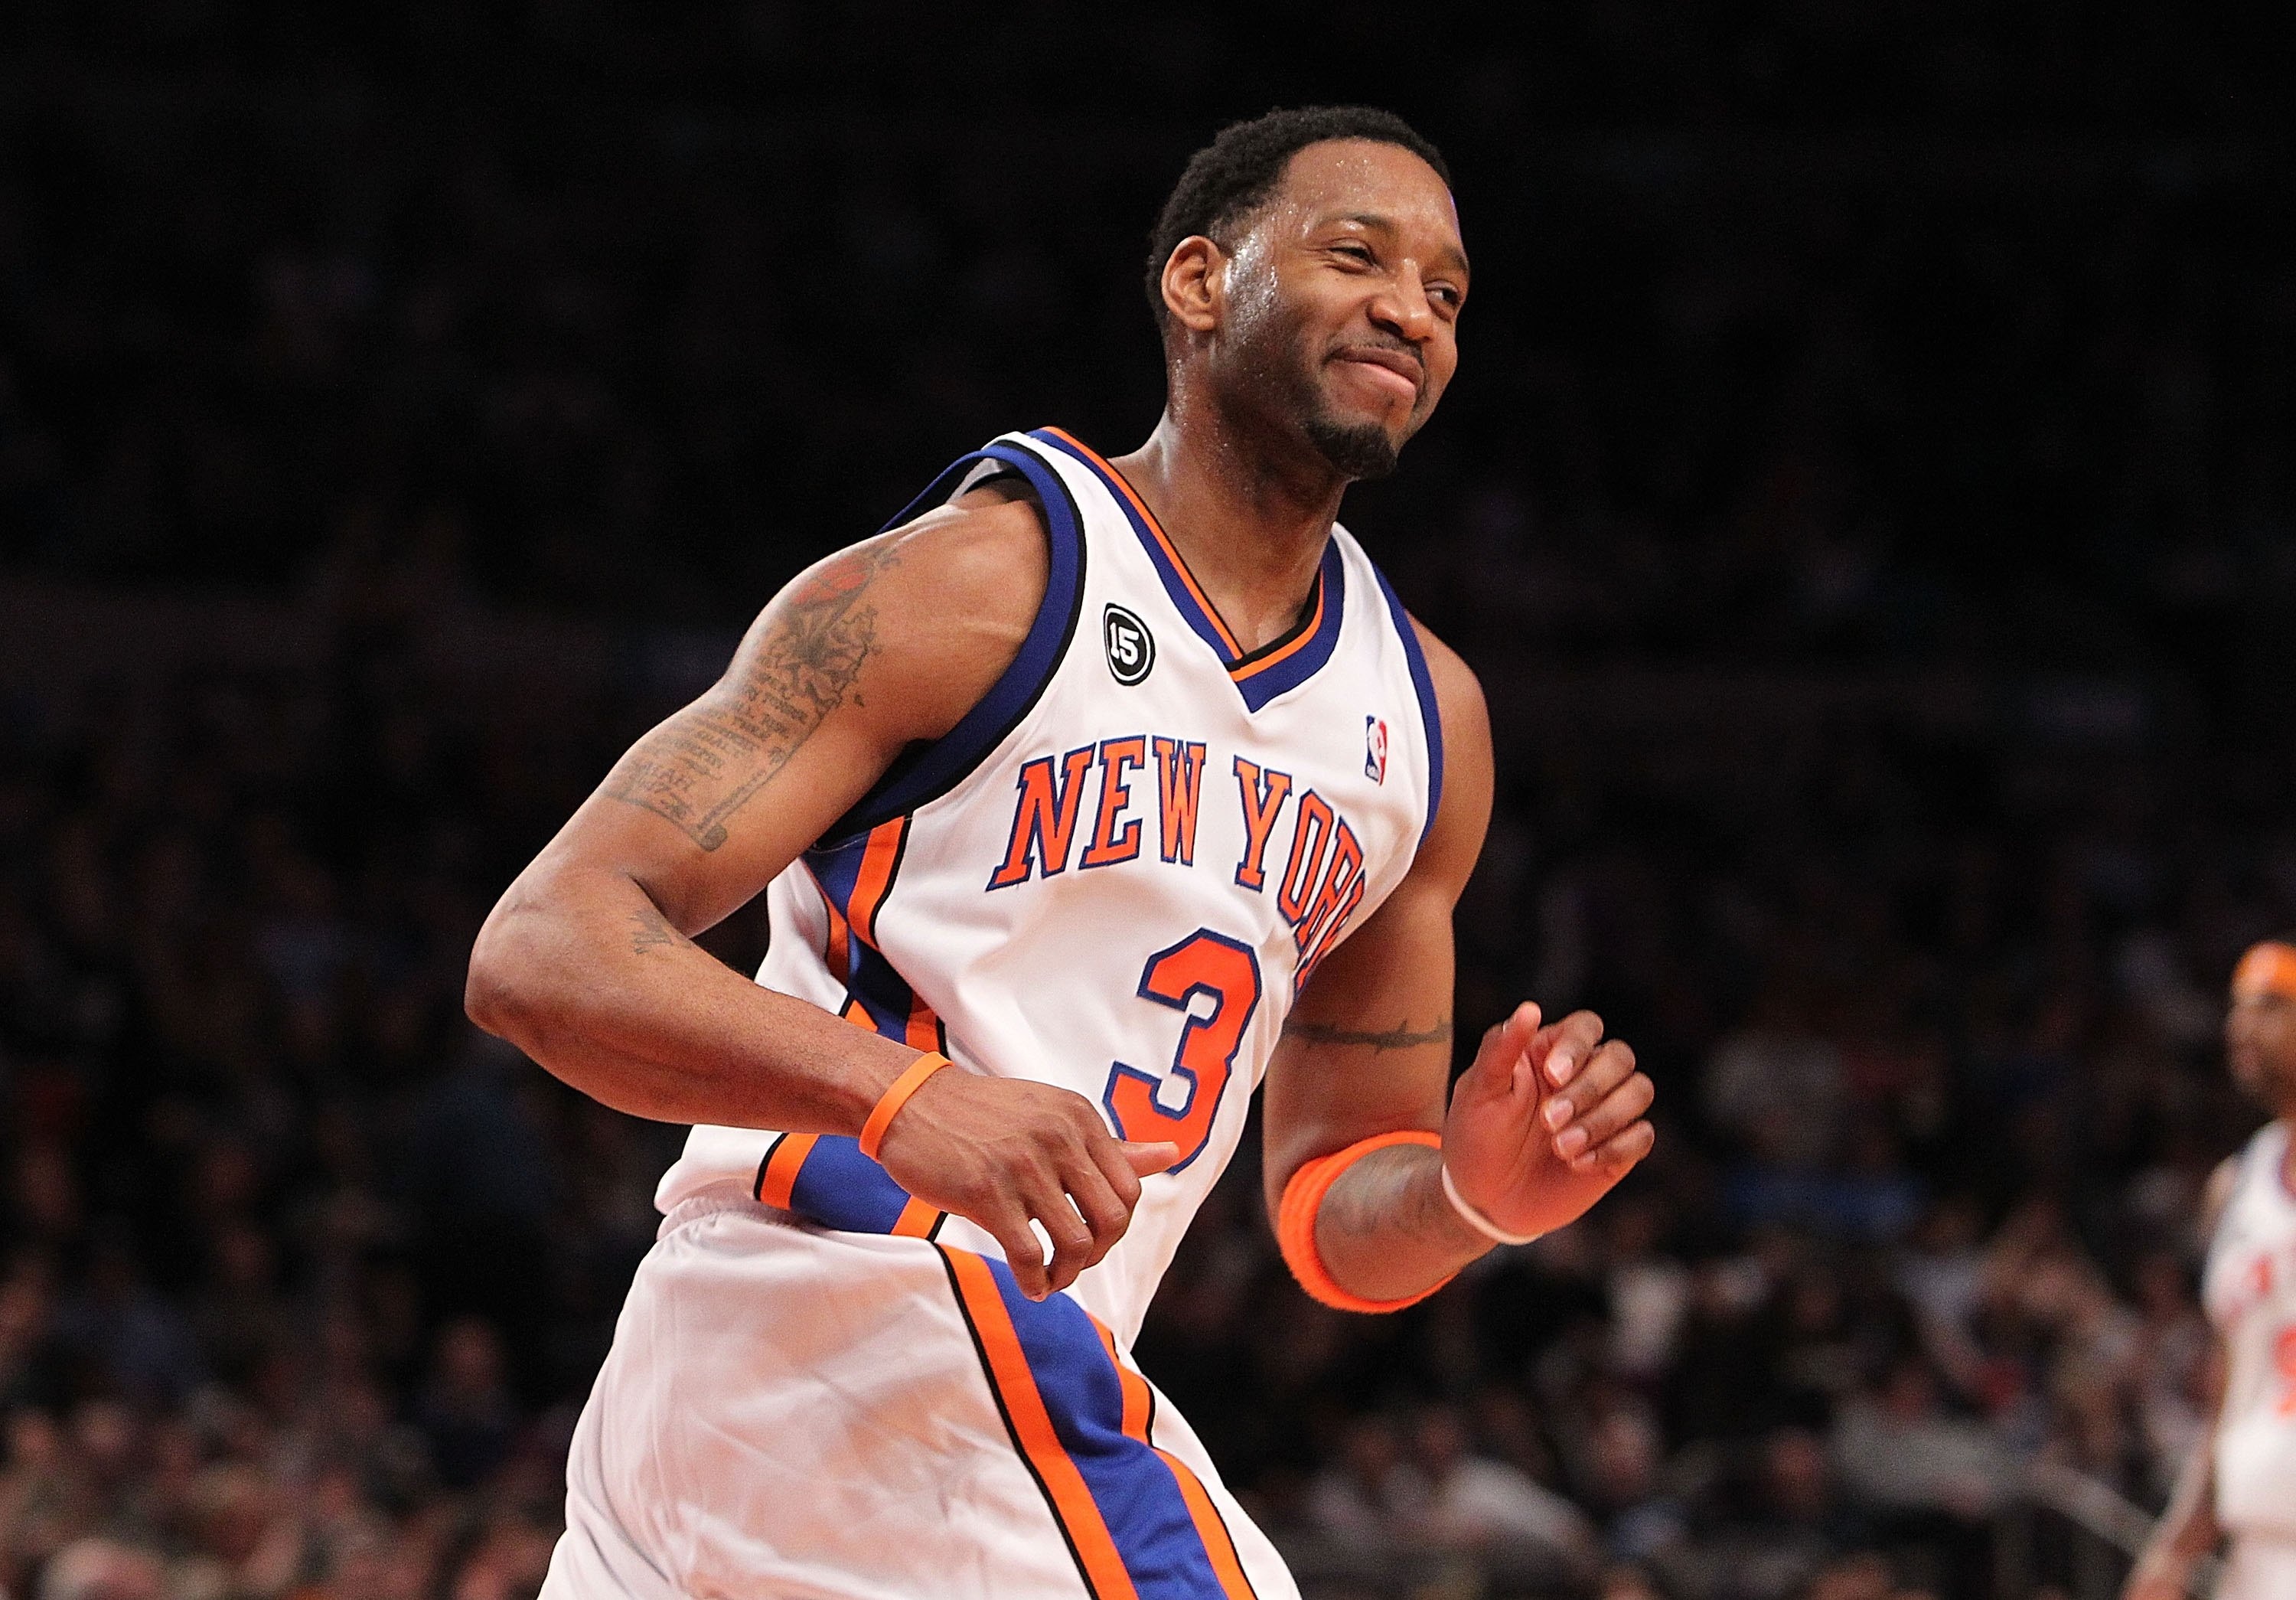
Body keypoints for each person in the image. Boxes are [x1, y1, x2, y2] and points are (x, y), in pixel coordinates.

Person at [467, 105, 1658, 1599]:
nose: (1409, 306)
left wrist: (1477, 1198)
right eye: (1359, 253)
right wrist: (906, 1096)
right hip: (852, 1297)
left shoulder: (1425, 727)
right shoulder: (978, 584)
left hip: (852, 1407)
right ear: (1200, 284)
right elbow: (546, 946)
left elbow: (1334, 1220)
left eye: (1446, 291)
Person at [2125, 939, 2296, 1600]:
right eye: (2236, 1009)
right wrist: (2175, 1546)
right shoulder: (2236, 1187)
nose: (2240, 1027)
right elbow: (2230, 1392)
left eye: (2271, 1007)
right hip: (2256, 1546)